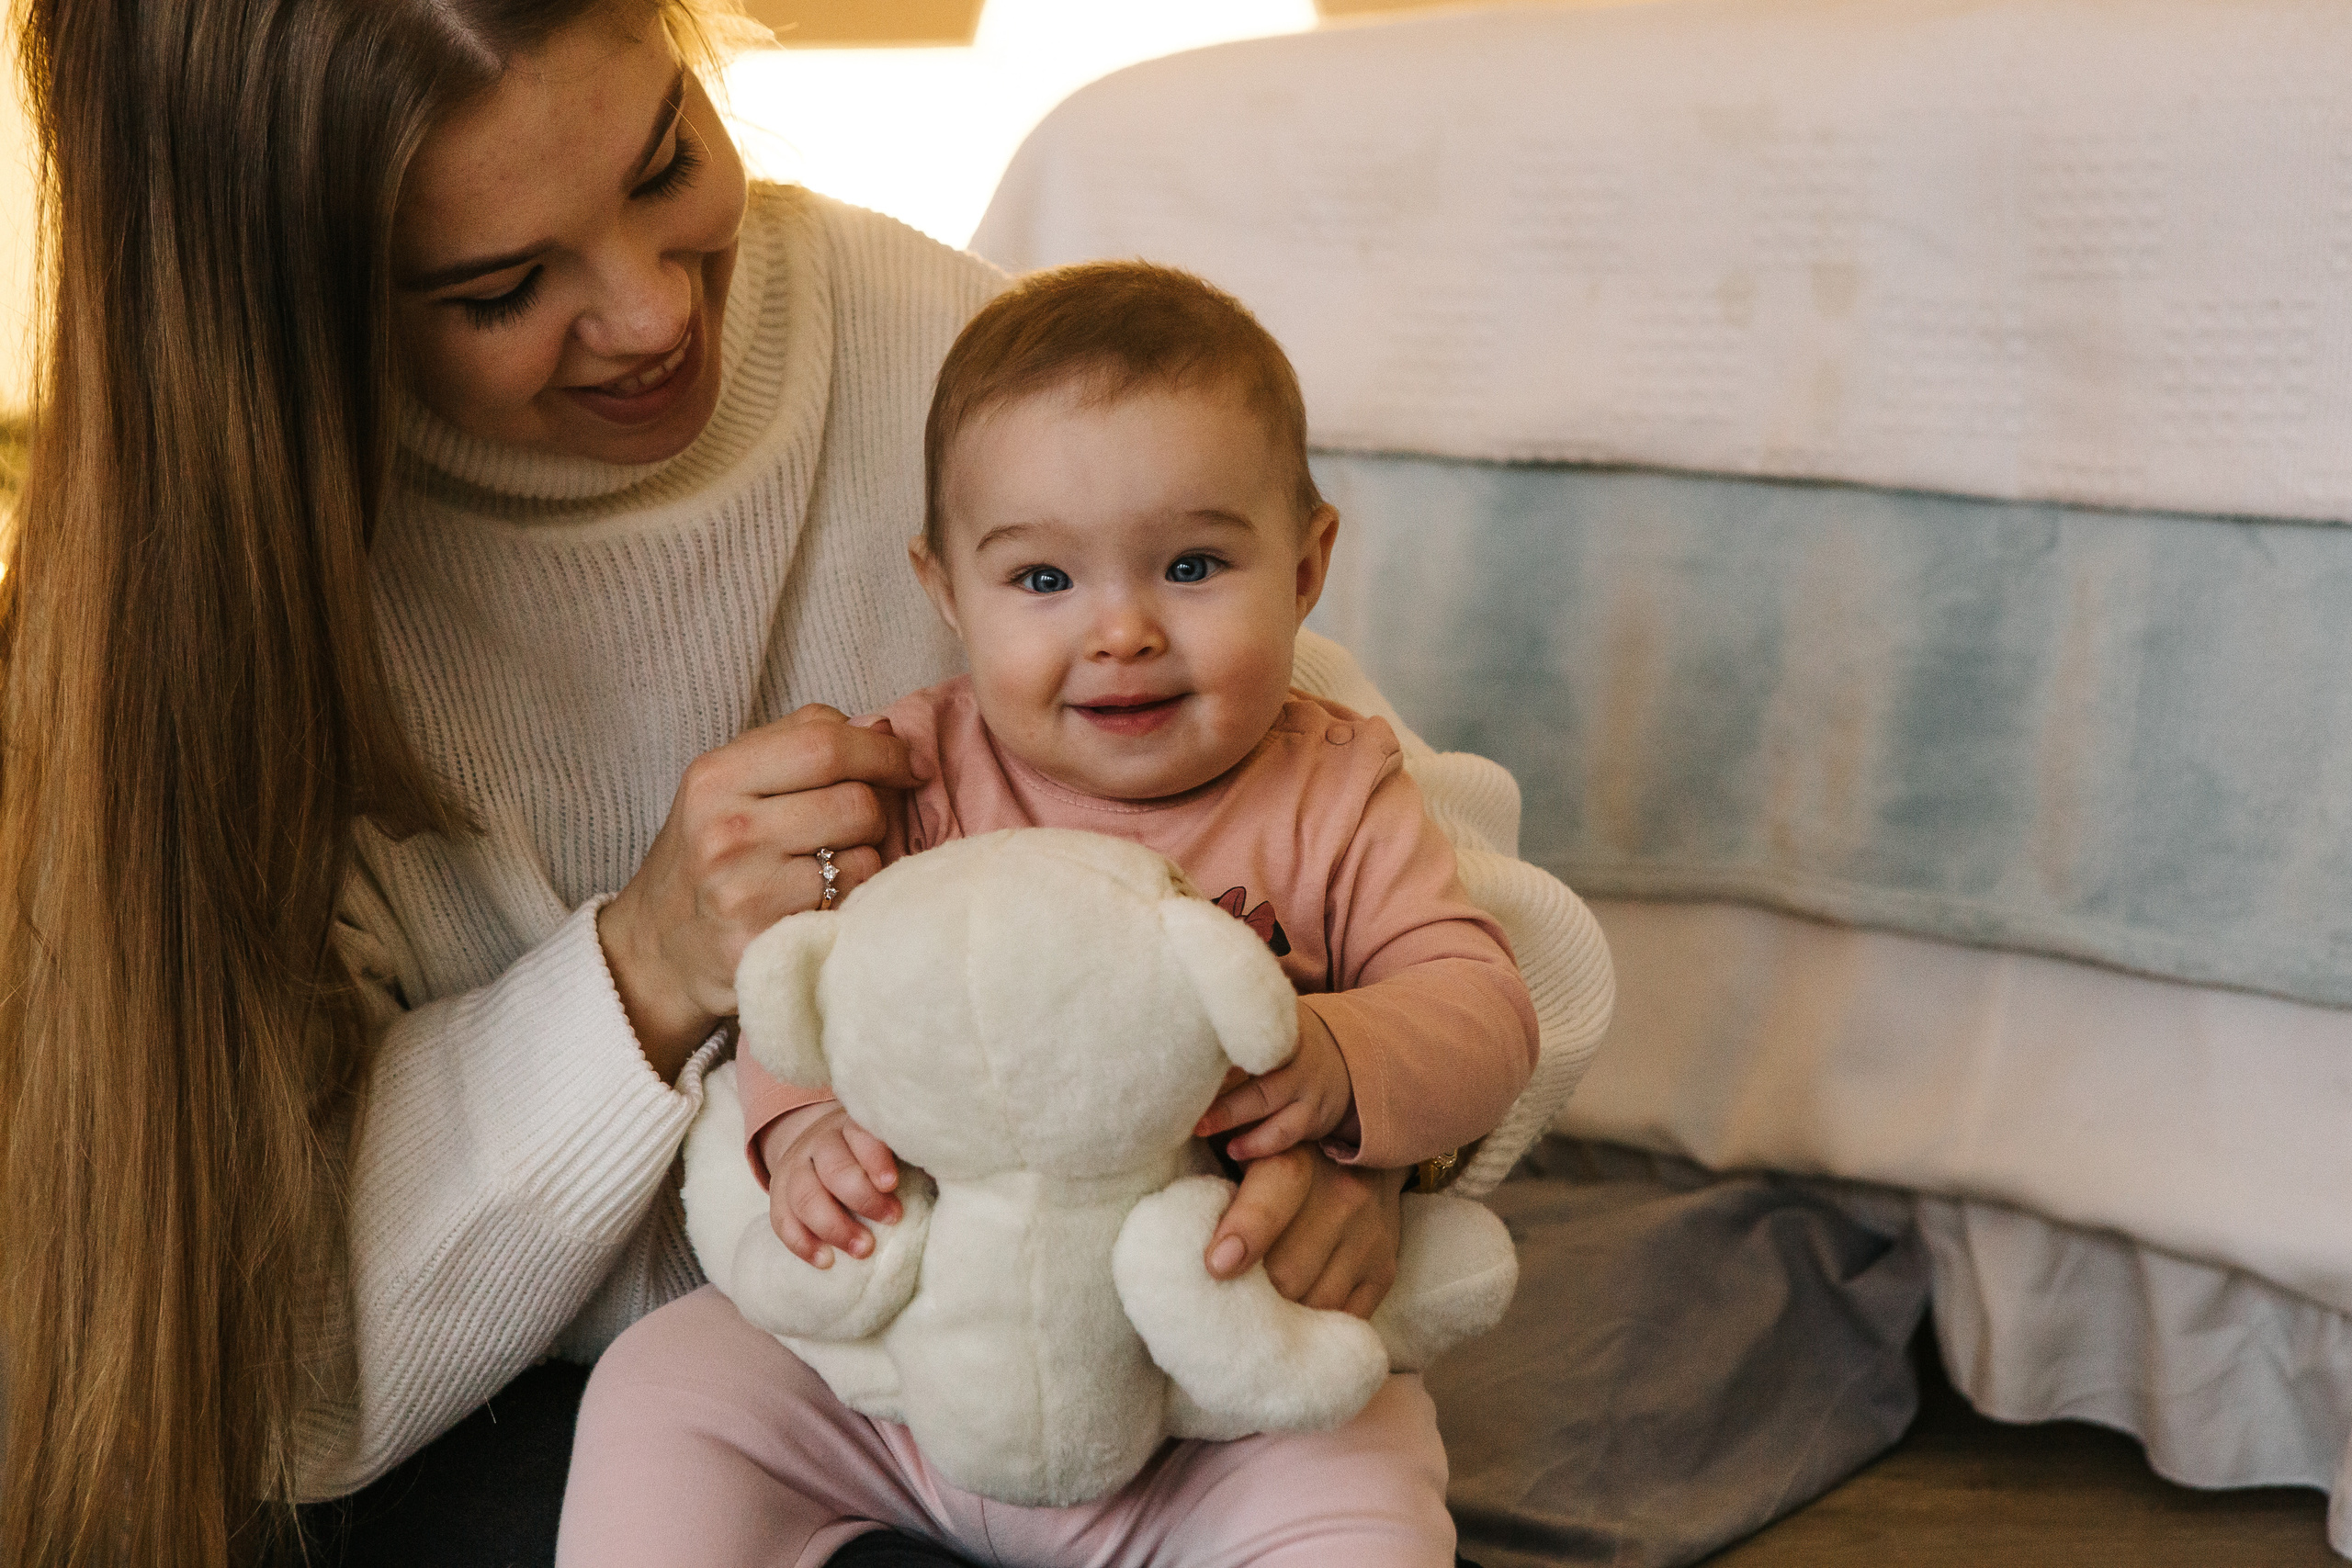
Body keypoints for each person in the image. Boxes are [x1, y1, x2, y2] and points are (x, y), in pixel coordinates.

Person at [0, 0, 1572, 1563]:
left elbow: (1507, 952)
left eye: (667, 156)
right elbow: (245, 1372)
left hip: (1179, 1359)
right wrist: (647, 976)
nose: (650, 315)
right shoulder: (190, 619)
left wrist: (1364, 1139)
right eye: (500, 289)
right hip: (673, 1407)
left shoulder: (942, 348)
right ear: (290, 301)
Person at [554, 264, 1540, 1568]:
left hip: (1219, 1387)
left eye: (1191, 565)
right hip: (901, 1371)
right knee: (662, 1385)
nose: (1121, 630)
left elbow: (1483, 1008)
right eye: (1040, 582)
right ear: (945, 588)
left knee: (1360, 1485)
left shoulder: (1338, 792)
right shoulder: (908, 770)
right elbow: (807, 986)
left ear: (1306, 568)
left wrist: (1344, 1064)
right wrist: (805, 1135)